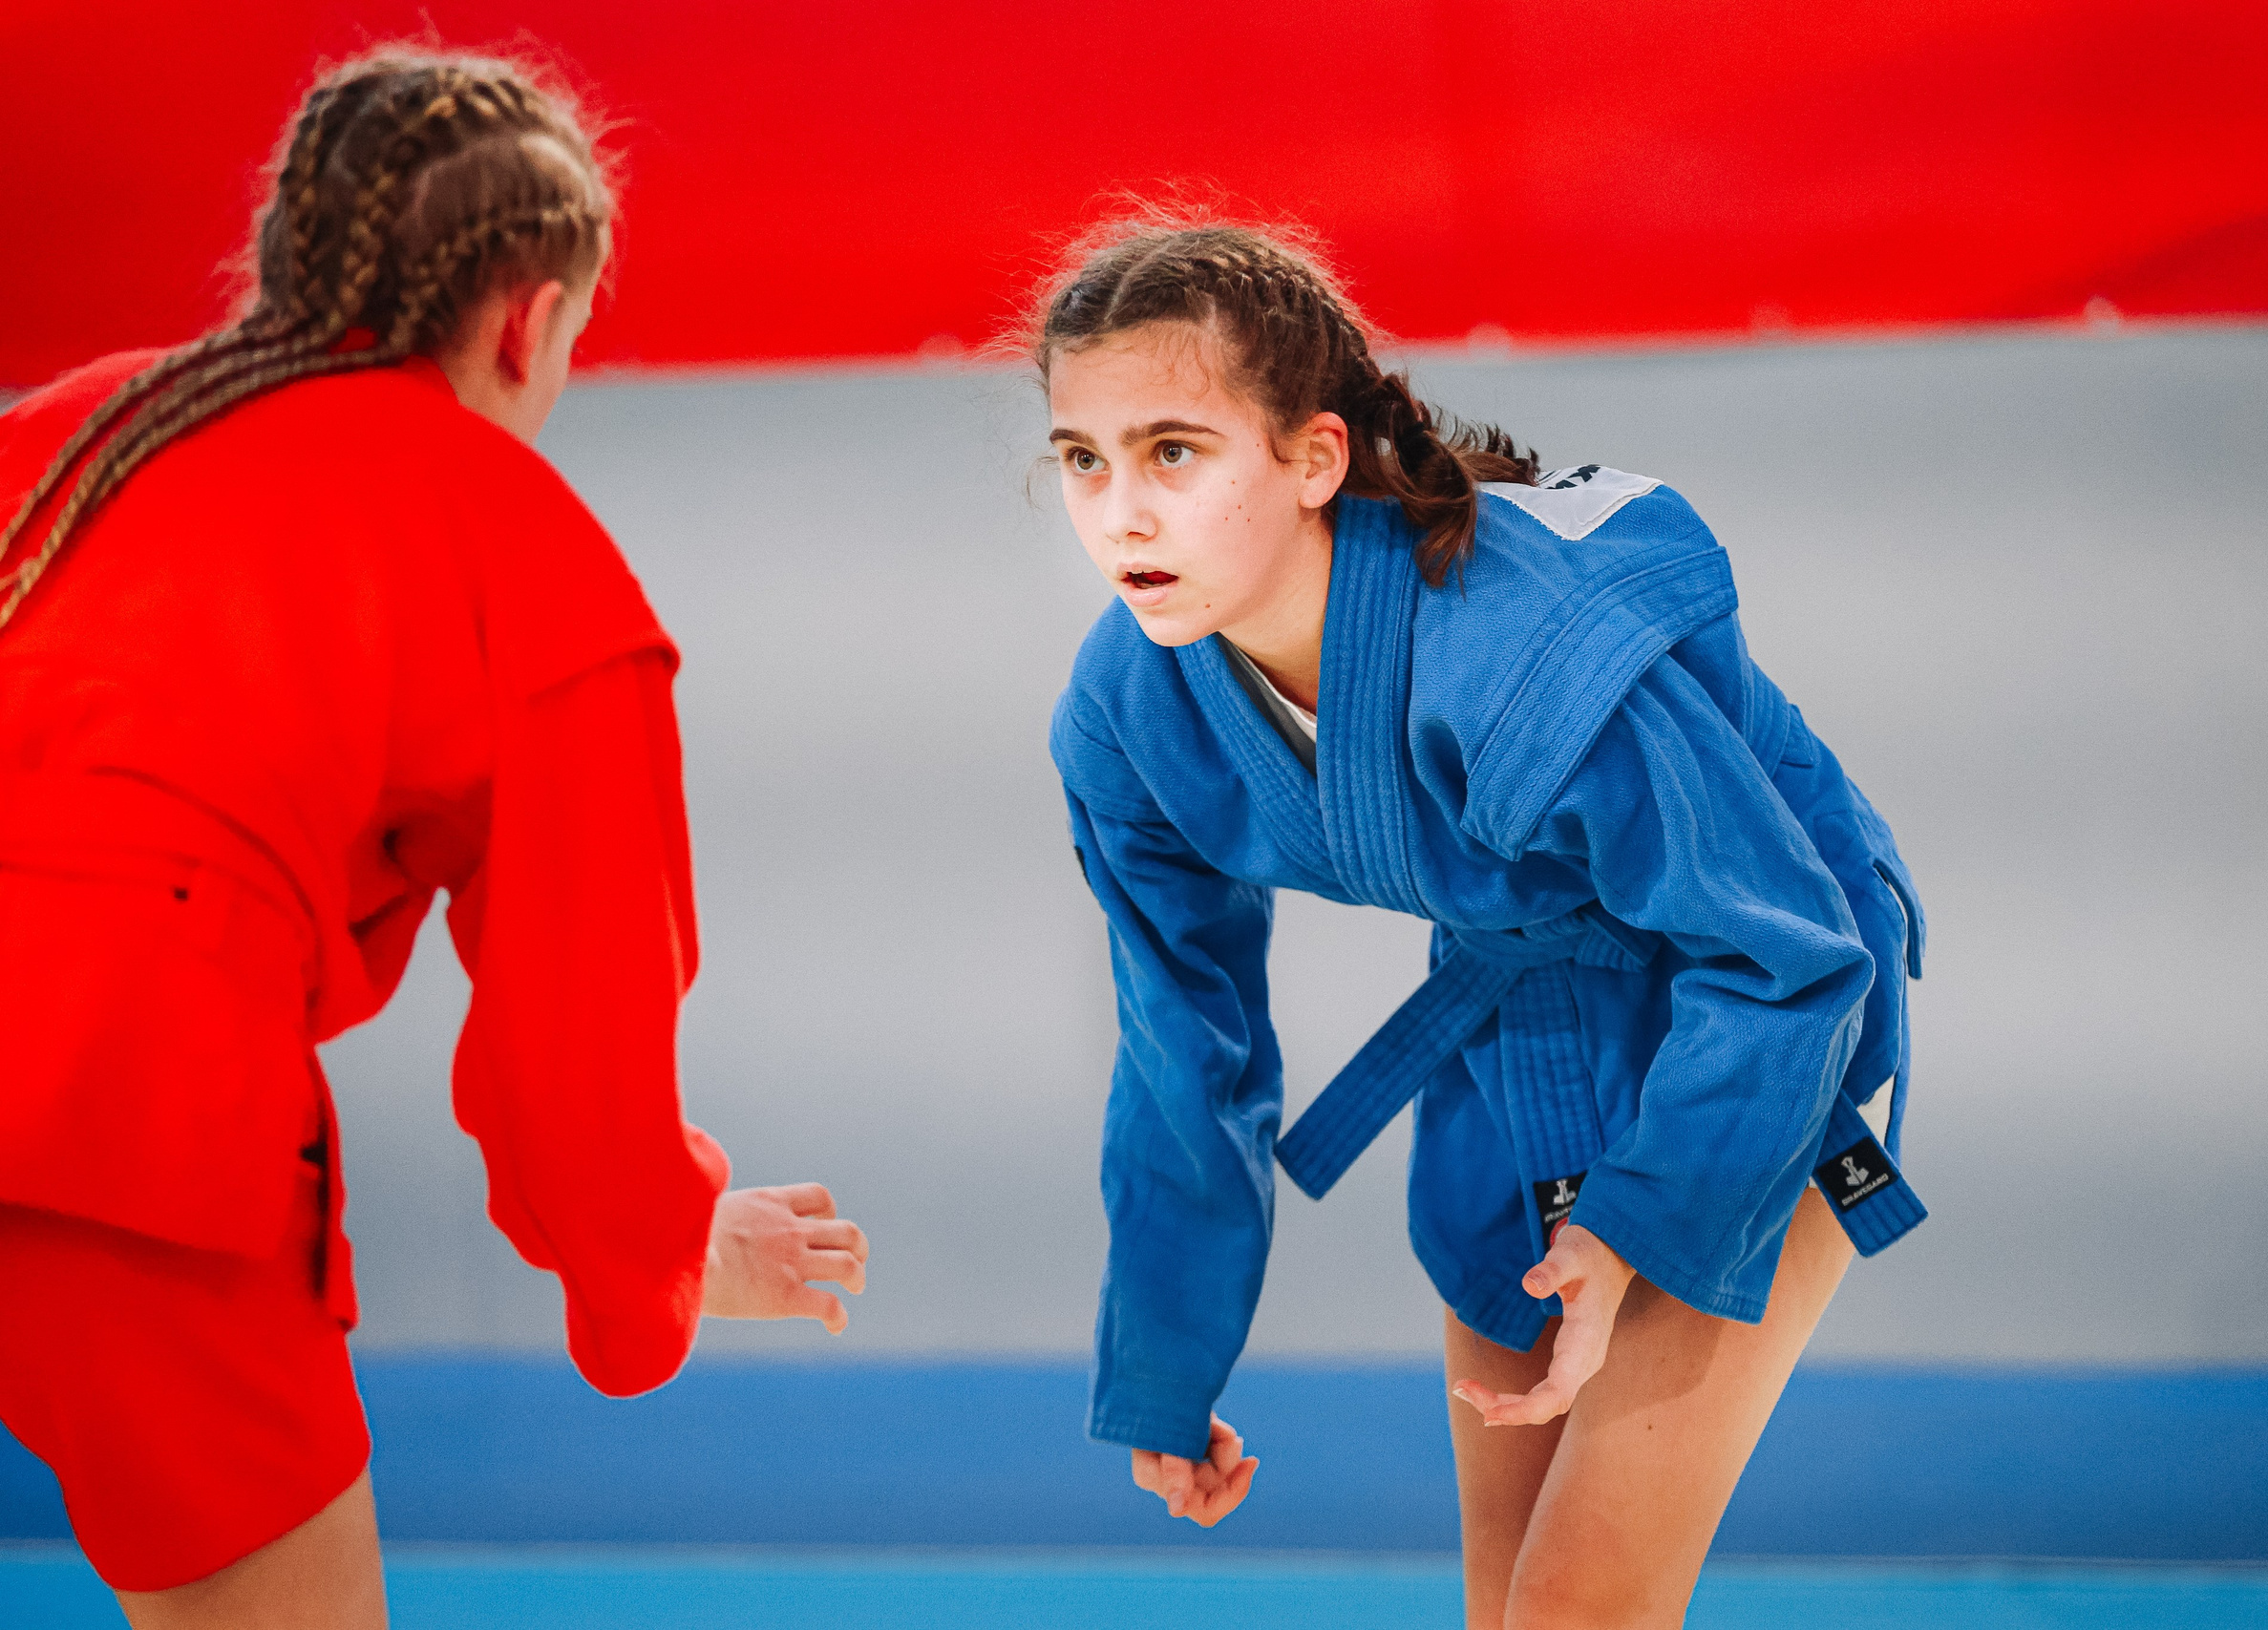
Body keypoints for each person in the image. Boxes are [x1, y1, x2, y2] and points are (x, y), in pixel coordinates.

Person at [0, 52, 866, 1627]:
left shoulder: (63, 437)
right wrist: (665, 1263)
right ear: (529, 319)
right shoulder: (518, 545)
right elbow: (574, 1037)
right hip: (131, 1126)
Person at [1035, 217, 1925, 1627]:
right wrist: (1168, 1355)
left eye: (1173, 453)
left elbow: (1785, 952)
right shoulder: (1127, 712)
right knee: (1507, 1610)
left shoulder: (1516, 649)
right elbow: (1180, 1042)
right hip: (1517, 1037)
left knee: (1583, 1608)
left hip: (1759, 1022)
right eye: (1083, 460)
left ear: (1313, 457)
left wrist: (1633, 1224)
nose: (1120, 513)